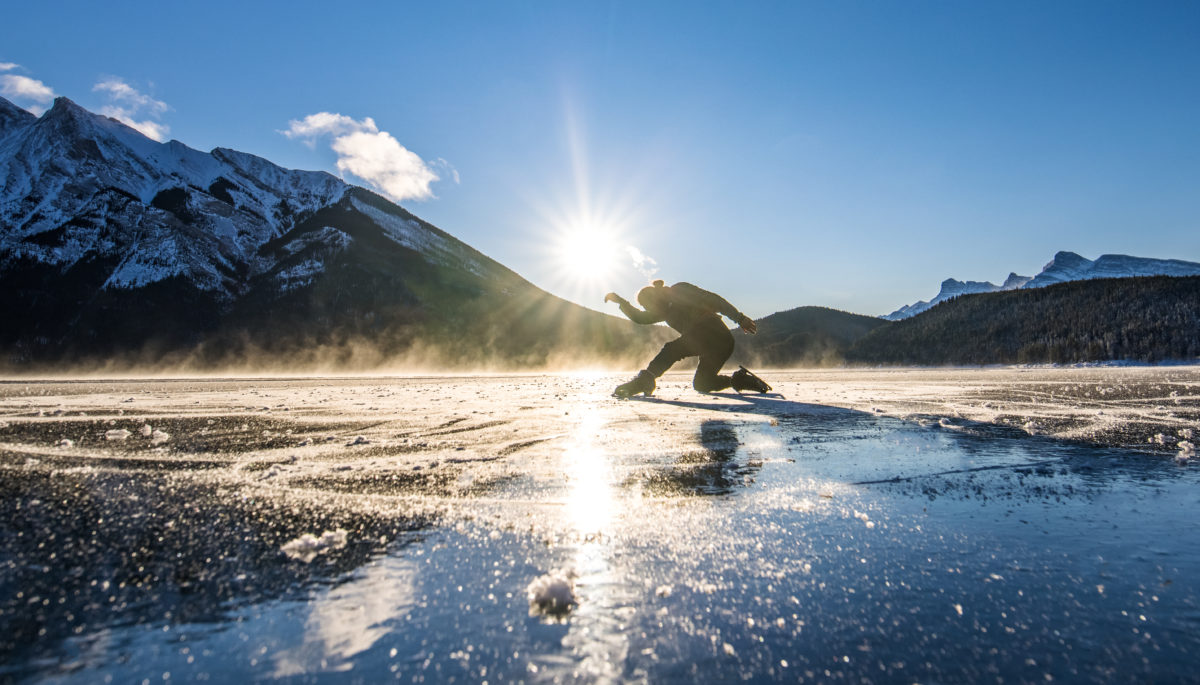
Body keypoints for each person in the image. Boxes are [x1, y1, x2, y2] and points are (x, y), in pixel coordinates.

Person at [605, 279, 771, 398]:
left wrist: (739, 318)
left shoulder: (679, 290)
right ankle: (739, 381)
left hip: (715, 333)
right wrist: (621, 301)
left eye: (647, 305)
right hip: (712, 345)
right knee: (702, 383)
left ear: (653, 297)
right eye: (646, 308)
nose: (648, 310)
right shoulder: (662, 311)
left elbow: (714, 300)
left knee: (672, 349)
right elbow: (640, 318)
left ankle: (646, 380)